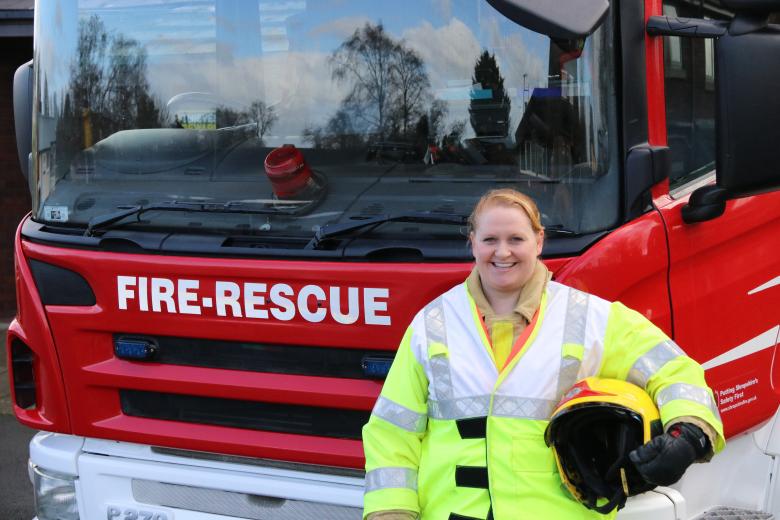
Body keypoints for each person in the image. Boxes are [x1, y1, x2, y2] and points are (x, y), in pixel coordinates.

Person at [362, 188, 724, 520]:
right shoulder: (432, 323)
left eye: (516, 239)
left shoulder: (592, 318)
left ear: (538, 241)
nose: (502, 252)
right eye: (490, 239)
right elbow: (393, 432)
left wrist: (689, 434)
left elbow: (675, 371)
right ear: (473, 244)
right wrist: (391, 511)